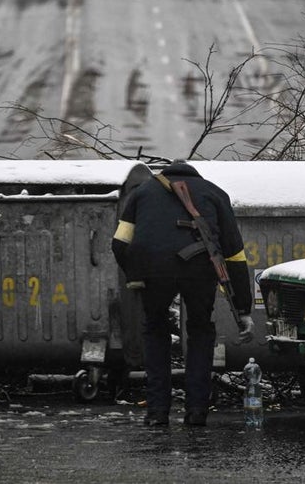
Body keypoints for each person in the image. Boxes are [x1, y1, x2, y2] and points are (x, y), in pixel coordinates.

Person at [111, 160, 252, 427]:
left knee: (155, 330)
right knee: (200, 331)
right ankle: (197, 411)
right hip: (200, 270)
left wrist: (135, 275)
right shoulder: (215, 193)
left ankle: (157, 412)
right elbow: (234, 255)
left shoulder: (141, 193)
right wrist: (242, 308)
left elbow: (119, 243)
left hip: (153, 271)